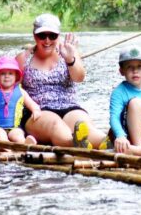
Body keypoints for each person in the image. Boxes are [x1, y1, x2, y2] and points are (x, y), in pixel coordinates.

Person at [14, 13, 109, 150]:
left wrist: (71, 59)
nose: (47, 41)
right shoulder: (23, 58)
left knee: (84, 124)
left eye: (52, 36)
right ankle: (75, 143)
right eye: (42, 36)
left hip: (69, 106)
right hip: (38, 111)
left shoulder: (69, 51)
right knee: (56, 125)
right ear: (35, 36)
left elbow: (79, 78)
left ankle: (107, 141)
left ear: (58, 36)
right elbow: (10, 89)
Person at [0, 55, 42, 143]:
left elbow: (33, 104)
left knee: (18, 135)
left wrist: (35, 111)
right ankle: (5, 147)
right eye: (3, 73)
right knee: (0, 134)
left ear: (16, 76)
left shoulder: (21, 92)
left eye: (10, 73)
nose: (7, 76)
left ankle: (25, 144)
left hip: (14, 127)